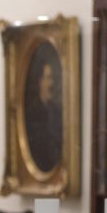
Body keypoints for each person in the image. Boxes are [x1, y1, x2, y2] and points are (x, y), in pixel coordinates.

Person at [23, 42, 63, 173]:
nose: (51, 84)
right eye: (48, 78)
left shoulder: (57, 111)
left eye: (53, 79)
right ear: (40, 81)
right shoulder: (32, 113)